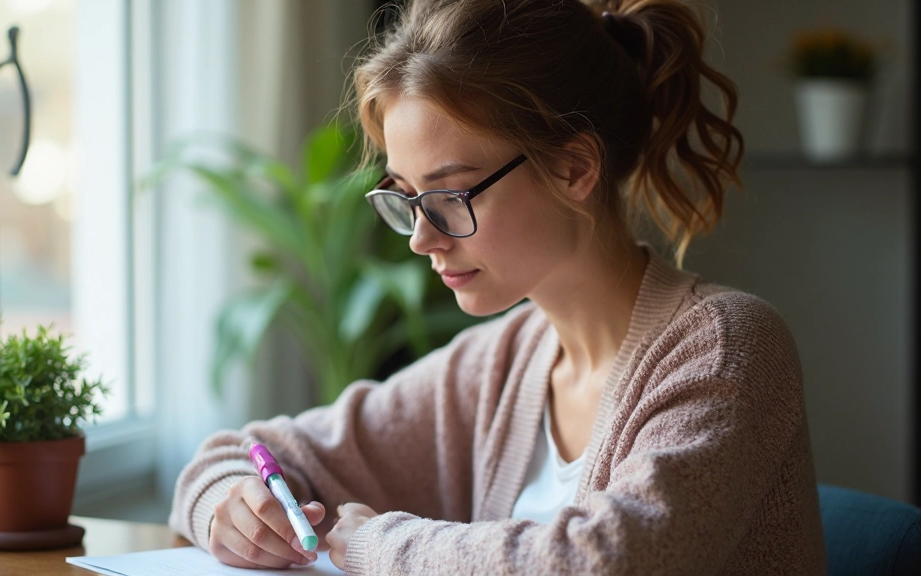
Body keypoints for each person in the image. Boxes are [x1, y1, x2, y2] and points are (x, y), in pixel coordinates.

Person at [169, 0, 827, 573]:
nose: (421, 238)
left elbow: (604, 563)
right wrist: (235, 508)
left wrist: (375, 545)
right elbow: (239, 453)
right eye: (406, 198)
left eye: (451, 194)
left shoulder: (727, 349)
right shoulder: (502, 364)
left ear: (574, 168)